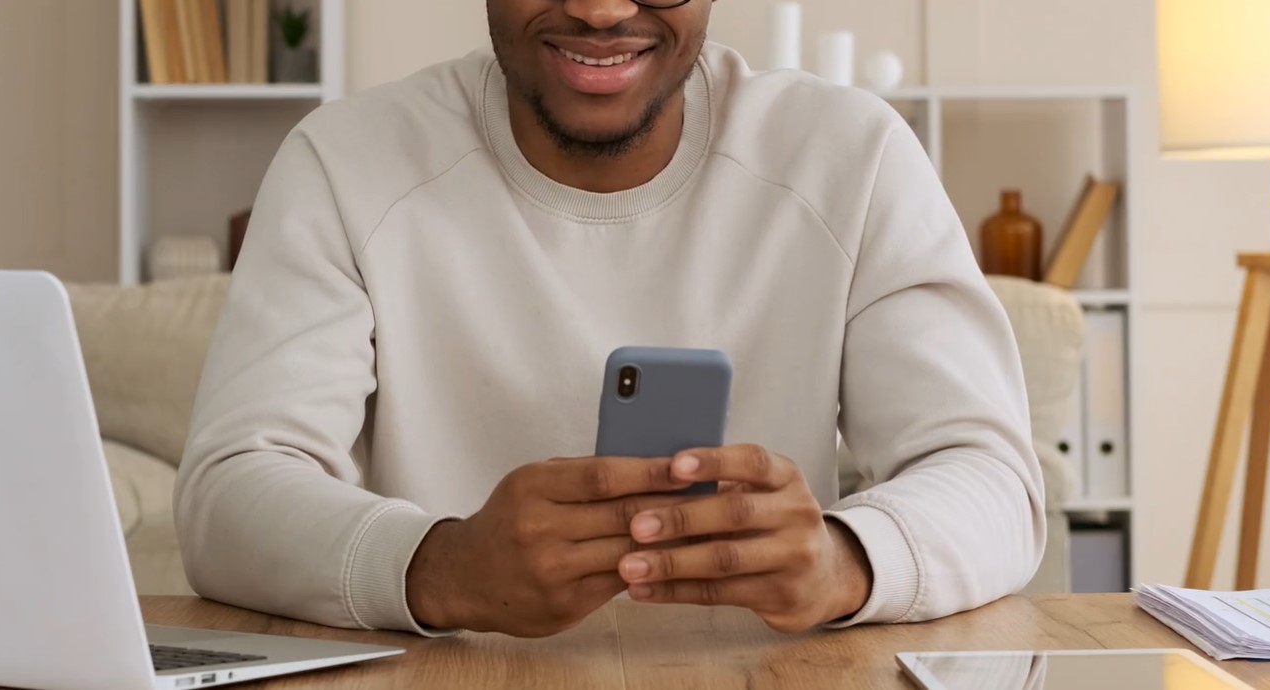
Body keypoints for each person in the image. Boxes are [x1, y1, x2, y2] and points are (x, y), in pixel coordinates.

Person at [174, 0, 1044, 639]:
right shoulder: (344, 162)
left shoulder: (851, 155)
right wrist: (437, 566)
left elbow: (992, 479)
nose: (600, 9)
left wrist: (844, 561)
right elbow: (228, 494)